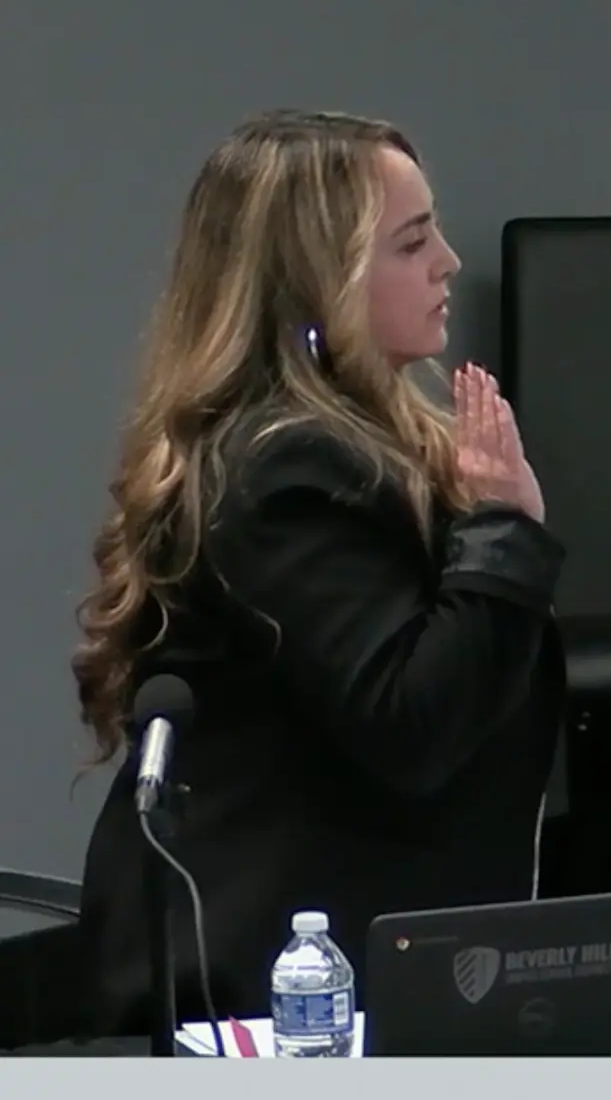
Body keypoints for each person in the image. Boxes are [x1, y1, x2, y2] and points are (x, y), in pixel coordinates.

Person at [71, 110, 567, 1034]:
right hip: (272, 975)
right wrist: (503, 531)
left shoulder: (362, 443)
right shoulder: (284, 468)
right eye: (412, 242)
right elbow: (410, 721)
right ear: (319, 280)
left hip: (362, 933)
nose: (449, 262)